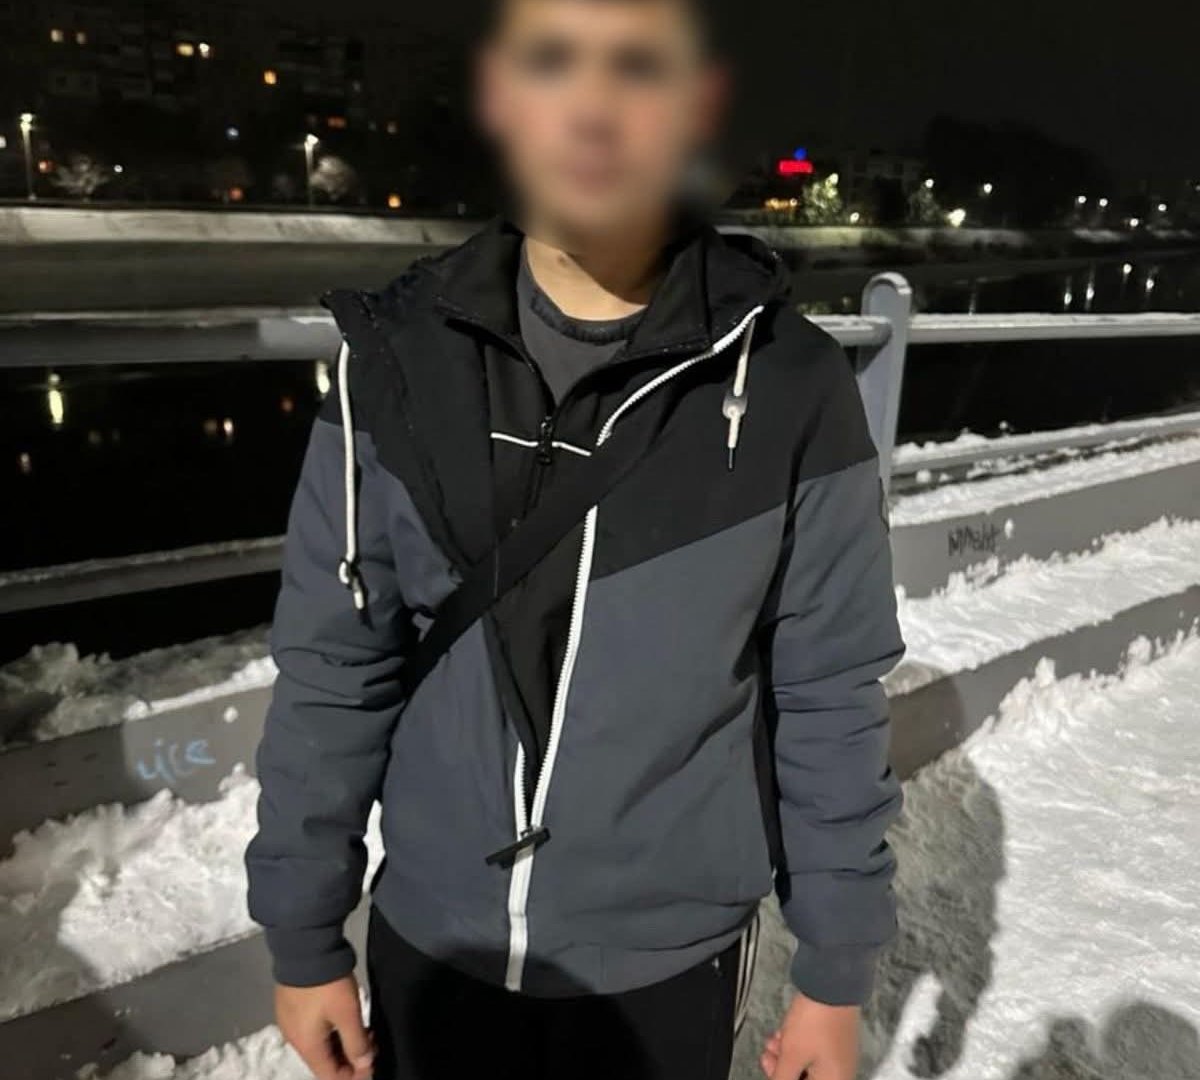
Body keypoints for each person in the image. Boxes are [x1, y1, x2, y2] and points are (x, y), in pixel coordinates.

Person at [245, 1, 904, 1078]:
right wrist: (303, 932)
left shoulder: (794, 386)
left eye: (638, 67)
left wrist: (835, 970)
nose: (593, 107)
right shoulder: (392, 365)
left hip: (669, 963)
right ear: (502, 96)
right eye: (553, 61)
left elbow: (828, 691)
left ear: (697, 106)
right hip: (434, 939)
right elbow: (335, 668)